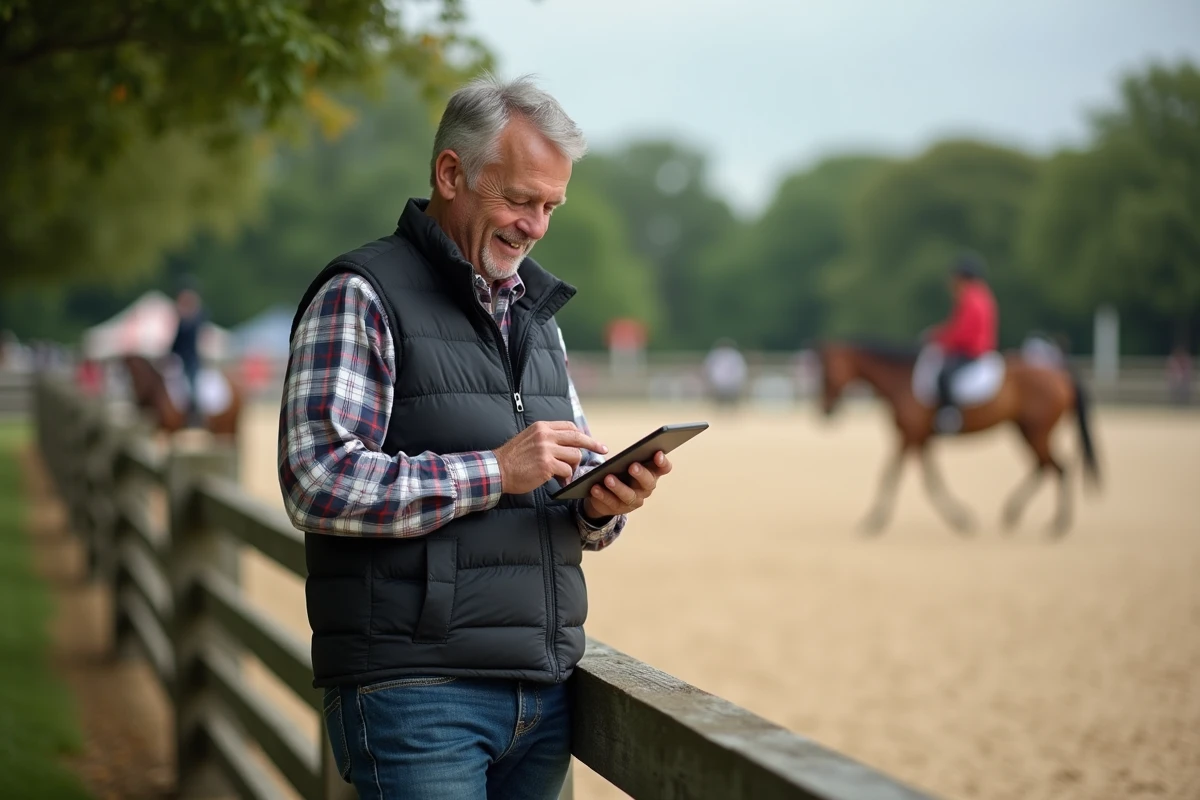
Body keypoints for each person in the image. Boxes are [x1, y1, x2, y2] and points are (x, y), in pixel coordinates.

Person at [276, 74, 674, 800]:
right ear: (451, 173)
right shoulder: (361, 294)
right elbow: (317, 479)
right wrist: (492, 472)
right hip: (415, 692)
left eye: (550, 206)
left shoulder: (539, 318)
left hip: (545, 690)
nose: (536, 226)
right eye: (520, 199)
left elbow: (553, 494)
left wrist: (598, 506)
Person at [927, 253, 998, 434]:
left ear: (962, 277)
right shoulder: (981, 295)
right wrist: (940, 334)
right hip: (975, 347)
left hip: (971, 350)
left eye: (955, 276)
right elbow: (956, 326)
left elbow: (963, 331)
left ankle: (950, 415)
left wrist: (942, 340)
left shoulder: (970, 298)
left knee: (944, 375)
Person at [169, 279, 207, 427]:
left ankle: (196, 416)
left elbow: (190, 339)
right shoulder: (181, 319)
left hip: (191, 360)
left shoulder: (196, 317)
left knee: (192, 386)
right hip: (178, 360)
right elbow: (176, 342)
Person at [703, 337, 748, 408]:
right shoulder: (716, 355)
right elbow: (709, 368)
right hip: (719, 382)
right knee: (719, 401)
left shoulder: (734, 355)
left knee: (731, 401)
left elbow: (740, 369)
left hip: (730, 382)